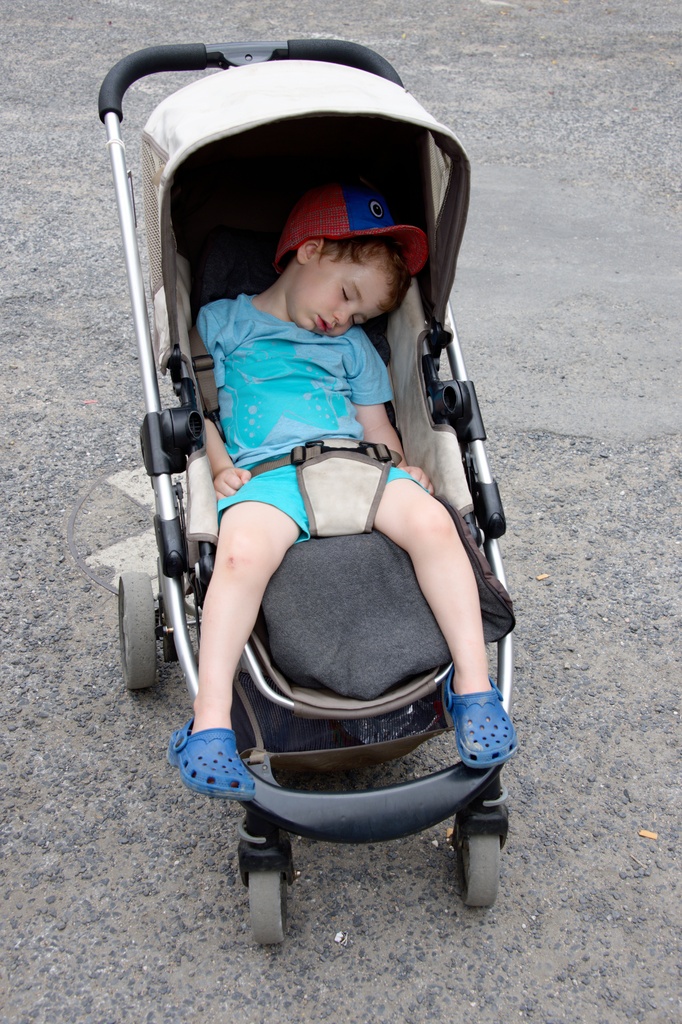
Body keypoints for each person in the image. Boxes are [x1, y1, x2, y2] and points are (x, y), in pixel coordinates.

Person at [168, 182, 517, 799]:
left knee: (435, 524)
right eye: (347, 295)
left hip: (356, 466)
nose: (345, 319)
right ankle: (212, 720)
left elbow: (376, 427)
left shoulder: (351, 348)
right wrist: (217, 465)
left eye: (360, 316)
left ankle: (474, 686)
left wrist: (404, 467)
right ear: (309, 250)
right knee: (240, 555)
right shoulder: (223, 323)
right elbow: (201, 409)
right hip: (267, 475)